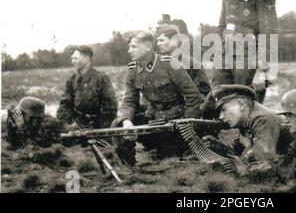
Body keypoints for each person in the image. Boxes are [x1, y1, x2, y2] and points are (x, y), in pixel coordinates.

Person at [114, 30, 204, 164]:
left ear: (148, 46)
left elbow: (194, 97)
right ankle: (131, 166)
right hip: (153, 119)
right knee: (118, 124)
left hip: (175, 121)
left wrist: (187, 124)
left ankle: (180, 147)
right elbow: (129, 101)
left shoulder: (169, 64)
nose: (129, 51)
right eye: (129, 47)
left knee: (168, 158)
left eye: (134, 46)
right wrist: (127, 121)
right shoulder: (133, 70)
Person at [212, 0, 279, 103]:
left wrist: (262, 69)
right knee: (219, 98)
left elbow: (269, 32)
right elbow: (222, 24)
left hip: (248, 57)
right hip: (225, 53)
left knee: (245, 102)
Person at [202, 84, 283, 180]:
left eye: (224, 110)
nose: (221, 117)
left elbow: (262, 163)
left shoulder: (261, 119)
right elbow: (237, 149)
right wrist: (218, 146)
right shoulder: (247, 118)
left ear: (241, 104)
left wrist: (248, 147)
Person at [57, 45, 118, 130]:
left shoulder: (101, 78)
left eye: (75, 58)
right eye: (72, 58)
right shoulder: (72, 80)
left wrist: (102, 128)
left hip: (99, 127)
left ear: (86, 58)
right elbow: (64, 106)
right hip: (77, 126)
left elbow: (110, 107)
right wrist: (67, 125)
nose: (72, 61)